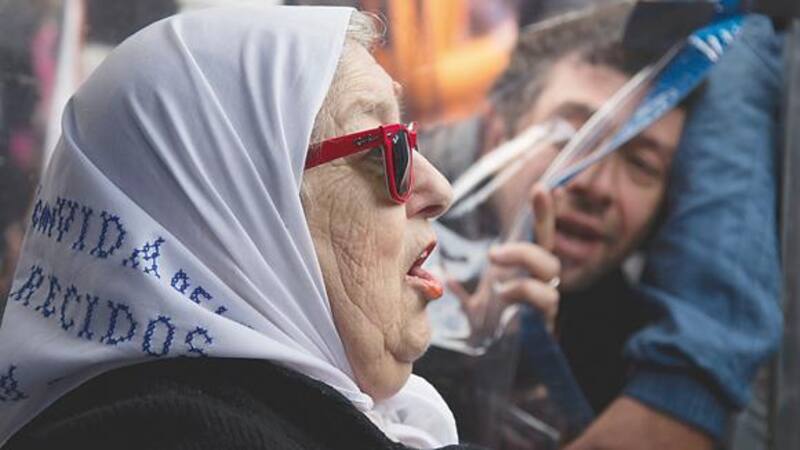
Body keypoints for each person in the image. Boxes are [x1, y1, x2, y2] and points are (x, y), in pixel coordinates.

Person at [0, 6, 474, 449]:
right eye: (383, 147)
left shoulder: (337, 418)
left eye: (409, 139)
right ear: (235, 209)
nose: (438, 188)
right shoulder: (178, 435)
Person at [421, 5, 782, 450]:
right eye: (572, 138)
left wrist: (521, 368)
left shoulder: (629, 347)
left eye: (641, 162)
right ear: (499, 133)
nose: (596, 185)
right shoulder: (393, 231)